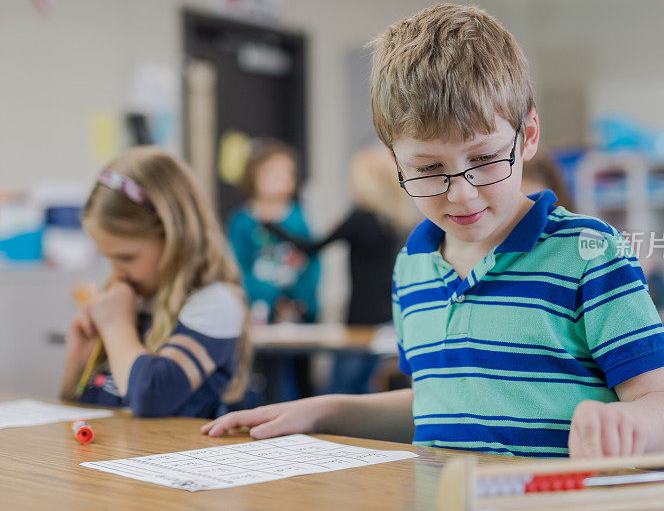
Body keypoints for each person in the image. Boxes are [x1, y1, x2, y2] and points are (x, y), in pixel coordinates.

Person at [203, 3, 664, 458]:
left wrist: (630, 424)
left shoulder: (589, 254)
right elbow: (437, 402)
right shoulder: (411, 267)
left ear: (528, 137)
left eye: (483, 160)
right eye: (428, 167)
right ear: (393, 159)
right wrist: (325, 411)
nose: (461, 193)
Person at [60, 147, 250, 418]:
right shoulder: (132, 298)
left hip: (177, 458)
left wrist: (115, 326)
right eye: (108, 258)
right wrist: (79, 361)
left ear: (175, 237)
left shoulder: (214, 302)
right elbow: (77, 414)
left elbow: (151, 397)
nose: (117, 273)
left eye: (126, 257)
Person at [263, 147, 418, 393]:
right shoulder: (395, 222)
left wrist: (270, 225)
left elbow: (312, 247)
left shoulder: (359, 219)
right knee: (367, 390)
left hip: (360, 318)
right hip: (387, 316)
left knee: (340, 390)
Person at [228, 138, 320, 400]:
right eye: (273, 173)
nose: (281, 180)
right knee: (264, 377)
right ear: (253, 176)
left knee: (298, 377)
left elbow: (312, 262)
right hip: (259, 314)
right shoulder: (242, 222)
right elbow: (238, 267)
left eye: (286, 174)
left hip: (298, 315)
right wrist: (271, 299)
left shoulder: (298, 218)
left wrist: (301, 299)